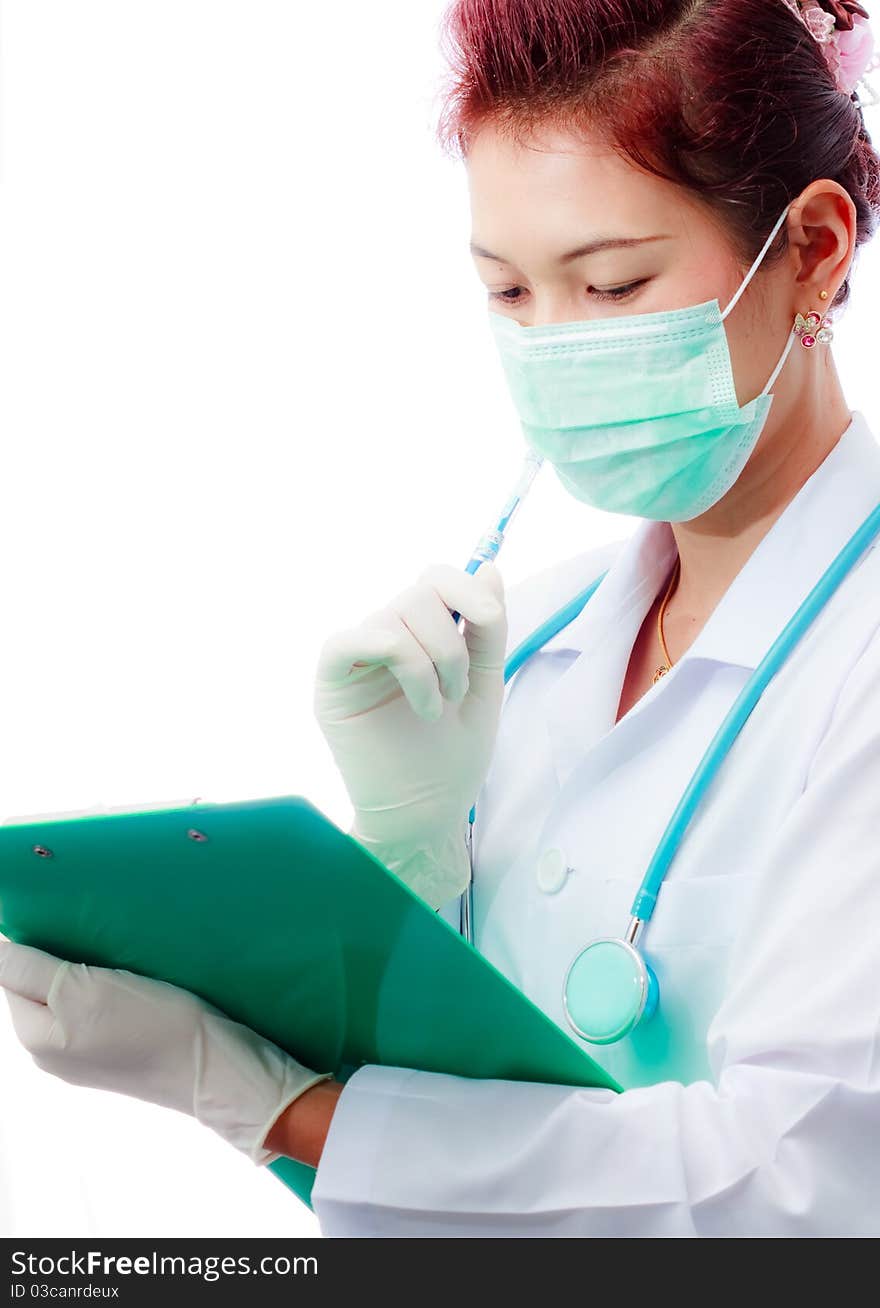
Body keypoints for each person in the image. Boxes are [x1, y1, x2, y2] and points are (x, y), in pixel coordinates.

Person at [2, 0, 880, 1238]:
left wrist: (281, 1108)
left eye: (614, 282)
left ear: (814, 246)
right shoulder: (541, 633)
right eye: (510, 293)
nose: (553, 346)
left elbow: (804, 1187)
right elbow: (467, 1115)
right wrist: (408, 858)